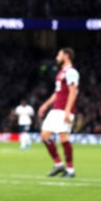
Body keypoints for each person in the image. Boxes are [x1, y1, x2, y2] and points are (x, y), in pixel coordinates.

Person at [38, 48, 79, 178]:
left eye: (59, 55)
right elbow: (58, 93)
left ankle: (70, 170)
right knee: (45, 135)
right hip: (56, 109)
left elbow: (73, 91)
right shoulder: (61, 72)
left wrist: (67, 111)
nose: (57, 57)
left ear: (66, 56)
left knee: (63, 138)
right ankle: (58, 164)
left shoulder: (72, 72)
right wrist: (45, 105)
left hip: (64, 110)